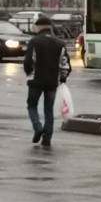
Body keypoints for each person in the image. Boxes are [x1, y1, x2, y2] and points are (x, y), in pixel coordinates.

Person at [23, 16, 71, 148]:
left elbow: (28, 61)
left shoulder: (34, 41)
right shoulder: (60, 43)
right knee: (48, 109)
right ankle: (47, 138)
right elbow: (65, 64)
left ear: (38, 27)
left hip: (36, 80)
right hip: (52, 82)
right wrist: (62, 78)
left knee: (32, 105)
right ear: (49, 27)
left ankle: (38, 127)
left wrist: (28, 73)